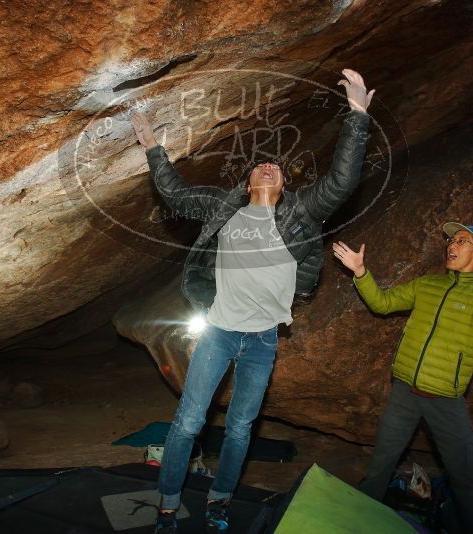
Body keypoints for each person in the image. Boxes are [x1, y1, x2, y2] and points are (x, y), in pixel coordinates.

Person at [132, 69, 375, 533]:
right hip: (219, 332)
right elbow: (176, 193)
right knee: (188, 425)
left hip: (263, 341)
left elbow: (343, 181)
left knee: (241, 429)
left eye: (277, 168)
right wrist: (151, 147)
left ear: (285, 185)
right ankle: (167, 506)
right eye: (260, 166)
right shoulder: (225, 209)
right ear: (247, 183)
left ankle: (220, 502)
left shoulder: (301, 213)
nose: (269, 167)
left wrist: (358, 115)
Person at [332, 221, 473, 534]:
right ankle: (353, 523)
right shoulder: (428, 284)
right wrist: (361, 272)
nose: (452, 246)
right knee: (380, 466)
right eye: (451, 240)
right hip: (405, 392)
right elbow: (383, 303)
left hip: (446, 400)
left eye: (463, 241)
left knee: (465, 479)